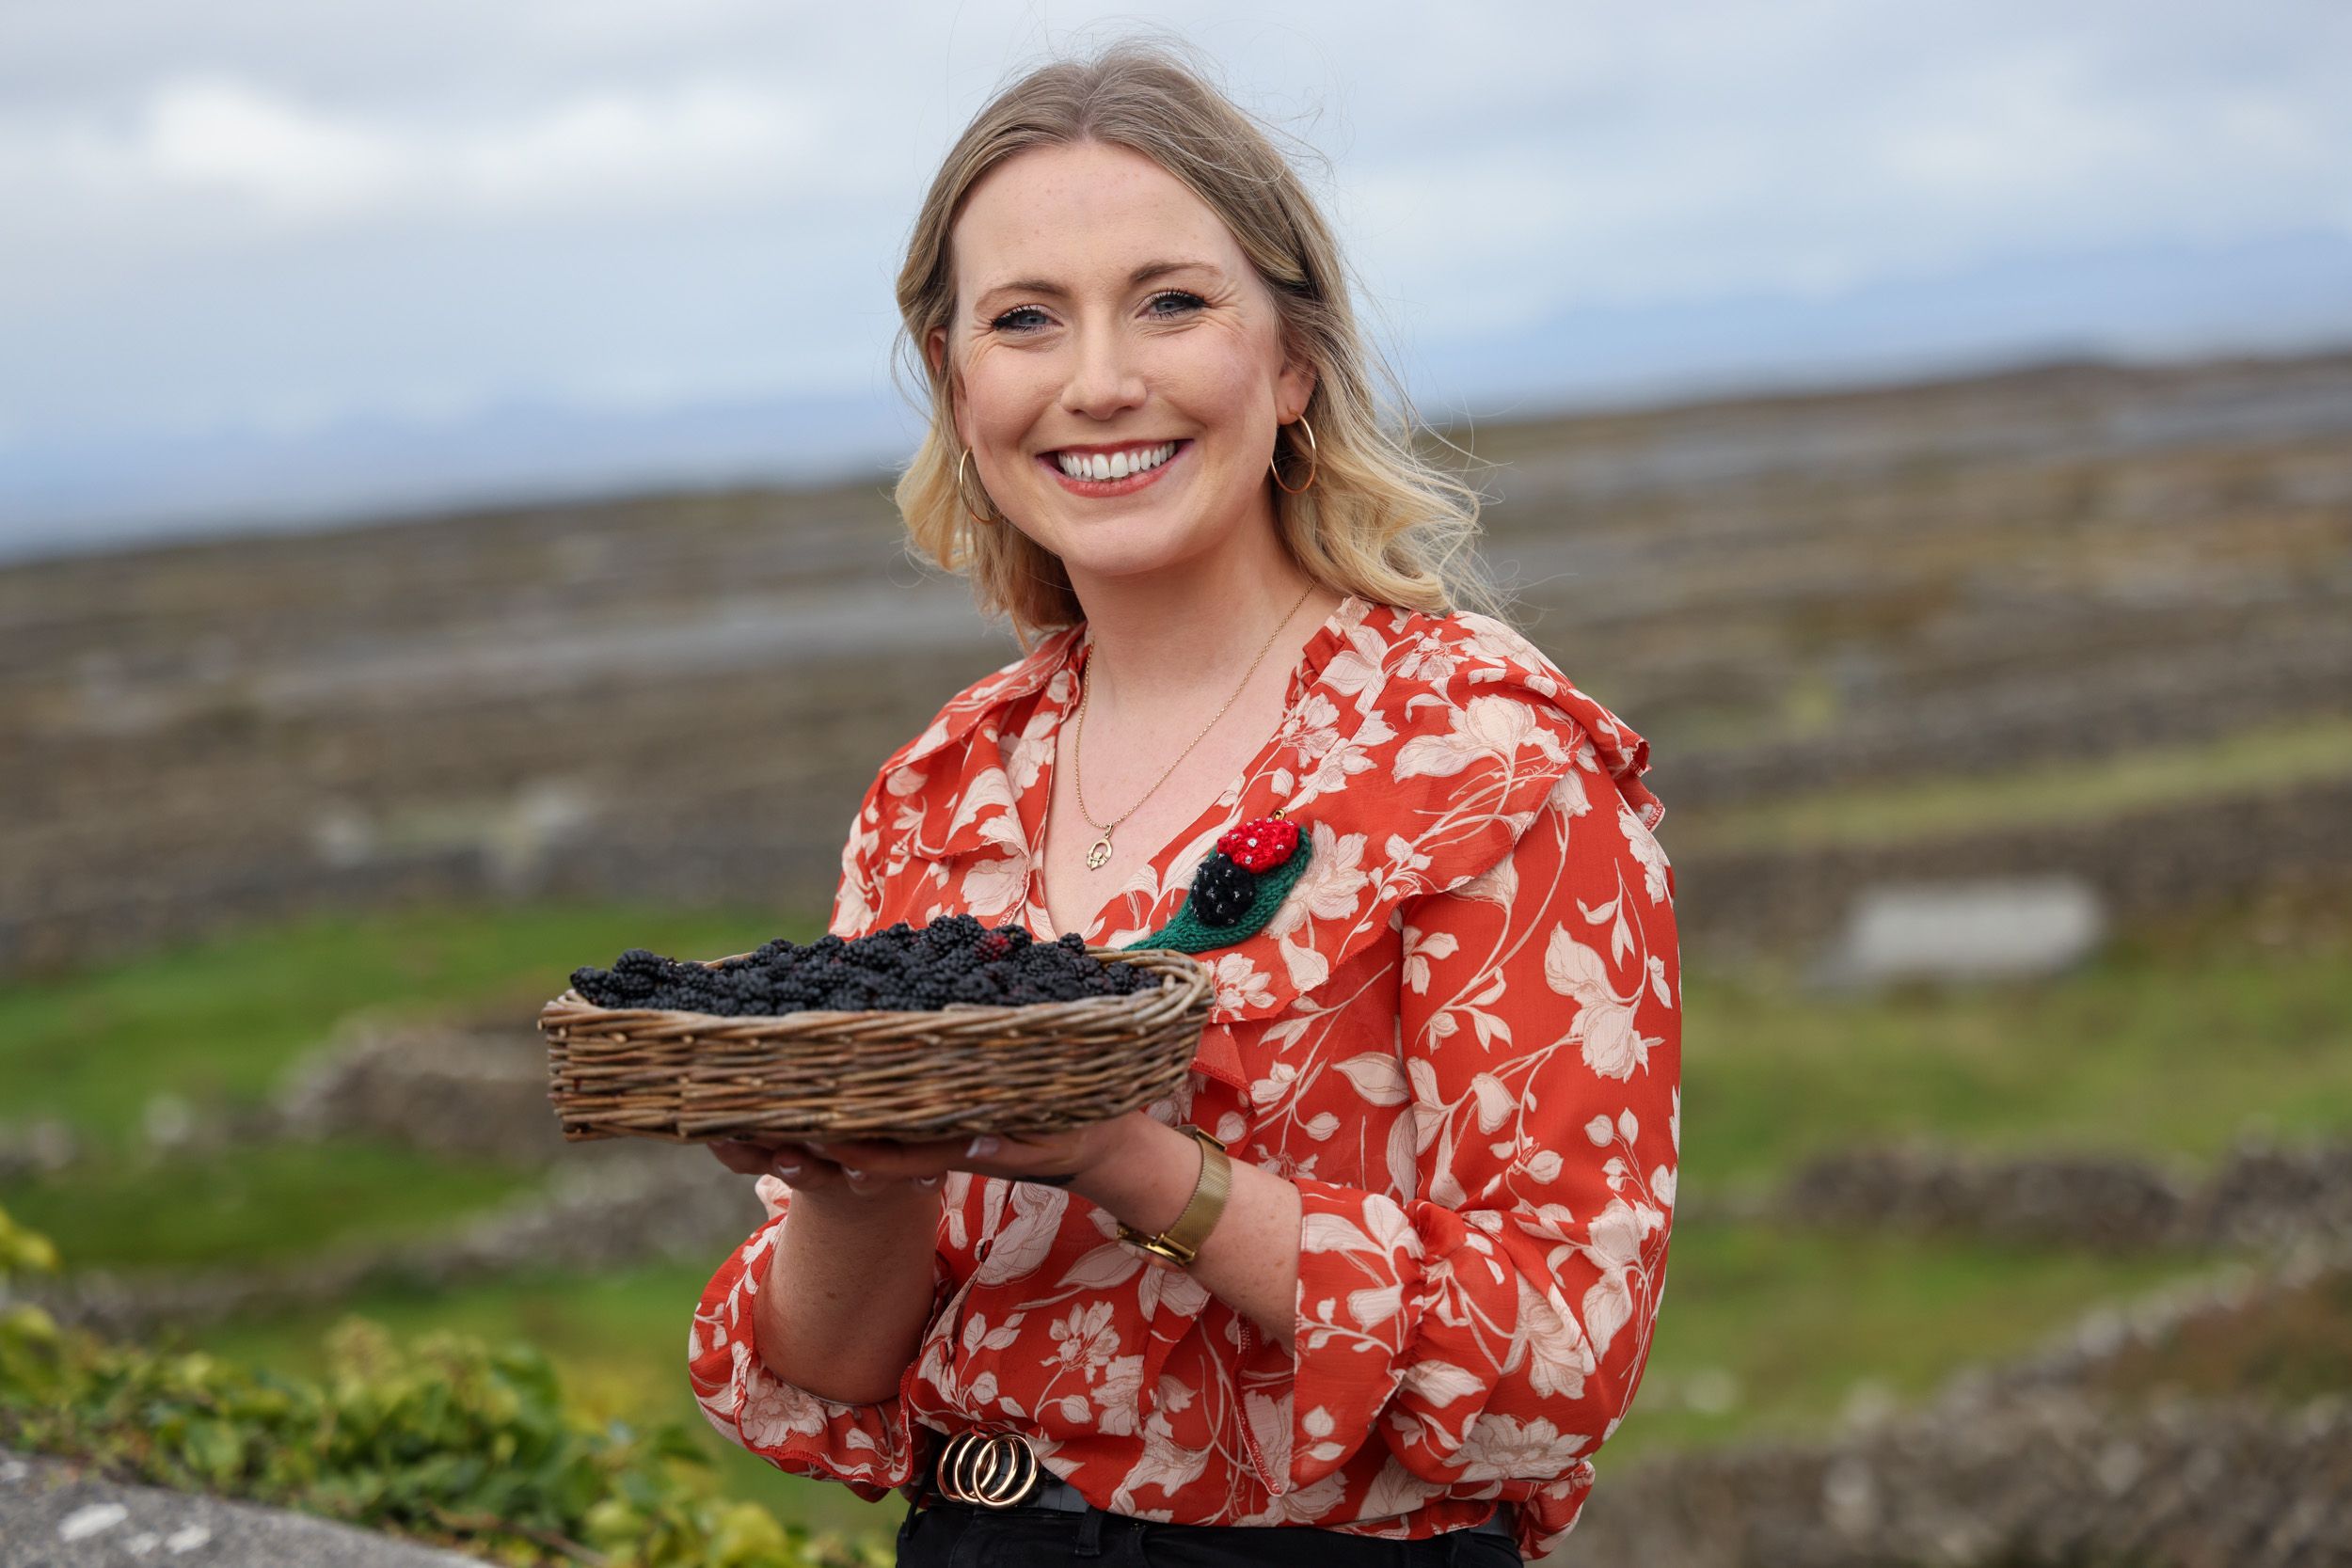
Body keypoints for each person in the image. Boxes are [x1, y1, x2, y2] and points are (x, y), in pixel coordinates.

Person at [691, 34, 1680, 1568]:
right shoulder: (945, 786)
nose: (1100, 381)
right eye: (1026, 320)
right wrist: (857, 1177)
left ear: (1291, 362)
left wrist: (1137, 1162)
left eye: (1170, 302)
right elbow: (827, 1373)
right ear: (958, 386)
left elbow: (1554, 1368)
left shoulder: (1483, 757)